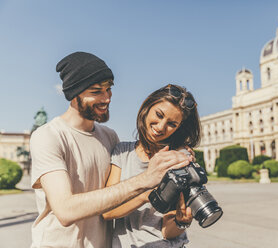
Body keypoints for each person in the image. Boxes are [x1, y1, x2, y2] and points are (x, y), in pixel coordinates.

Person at [30, 52, 191, 248]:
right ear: (74, 94)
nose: (107, 98)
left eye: (108, 89)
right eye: (96, 91)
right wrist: (146, 181)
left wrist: (179, 152)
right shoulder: (49, 136)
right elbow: (65, 210)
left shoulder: (109, 137)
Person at [103, 84, 201, 248]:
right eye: (159, 115)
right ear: (147, 107)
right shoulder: (122, 152)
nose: (161, 127)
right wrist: (148, 195)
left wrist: (180, 222)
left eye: (172, 124)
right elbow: (107, 211)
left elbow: (166, 231)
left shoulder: (178, 159)